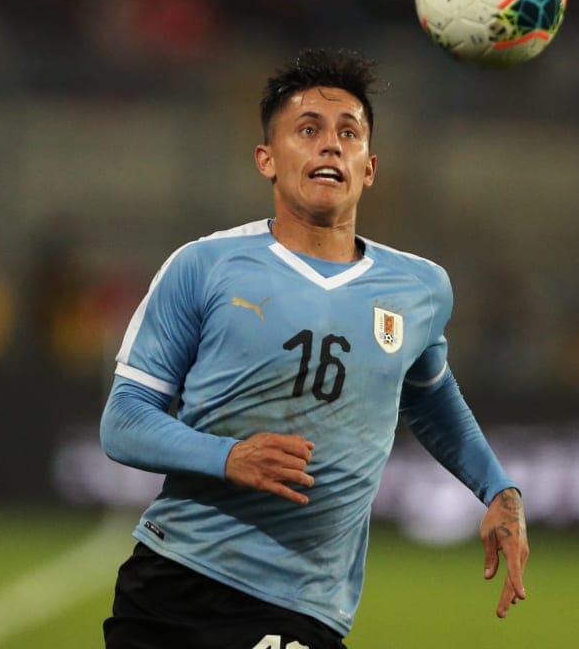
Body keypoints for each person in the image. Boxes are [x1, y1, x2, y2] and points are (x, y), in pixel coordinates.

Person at [100, 48, 529, 649]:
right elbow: (124, 421)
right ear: (266, 160)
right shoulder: (204, 267)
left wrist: (498, 490)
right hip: (175, 581)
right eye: (309, 130)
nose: (331, 145)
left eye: (348, 133)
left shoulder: (420, 287)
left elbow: (430, 397)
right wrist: (230, 457)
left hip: (304, 604)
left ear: (369, 166)